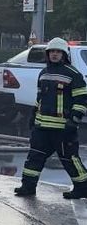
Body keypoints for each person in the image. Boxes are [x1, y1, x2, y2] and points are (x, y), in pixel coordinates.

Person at [15, 37, 87, 199]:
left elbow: (81, 99)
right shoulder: (44, 73)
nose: (54, 54)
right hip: (42, 127)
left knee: (69, 159)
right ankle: (28, 186)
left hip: (63, 128)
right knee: (34, 156)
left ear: (64, 54)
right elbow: (40, 97)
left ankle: (83, 188)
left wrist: (73, 120)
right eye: (52, 52)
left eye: (58, 52)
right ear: (48, 54)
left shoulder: (73, 74)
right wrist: (33, 114)